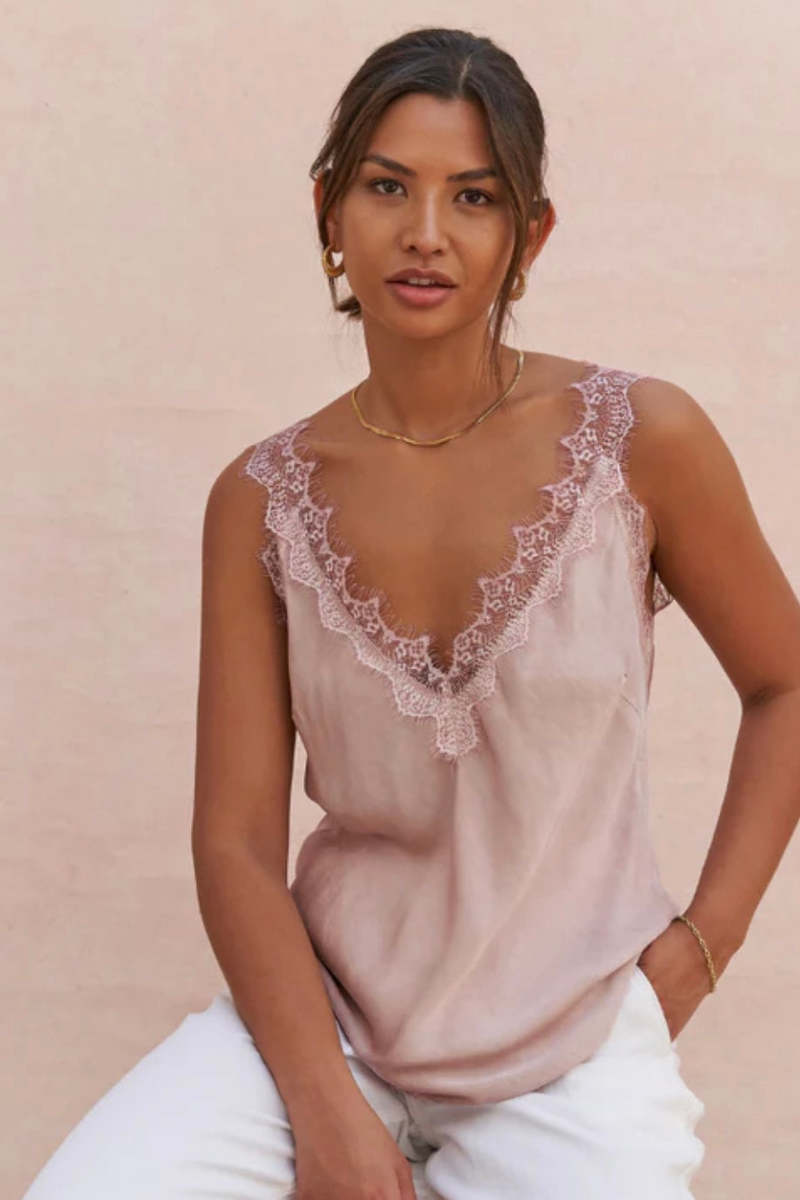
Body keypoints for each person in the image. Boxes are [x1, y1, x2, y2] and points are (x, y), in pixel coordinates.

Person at [22, 25, 800, 1200]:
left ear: (528, 232)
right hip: (322, 1021)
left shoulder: (639, 442)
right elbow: (234, 842)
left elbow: (783, 682)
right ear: (328, 208)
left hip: (569, 1042)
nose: (425, 231)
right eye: (386, 186)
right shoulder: (261, 499)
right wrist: (323, 1112)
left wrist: (701, 946)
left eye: (472, 197)